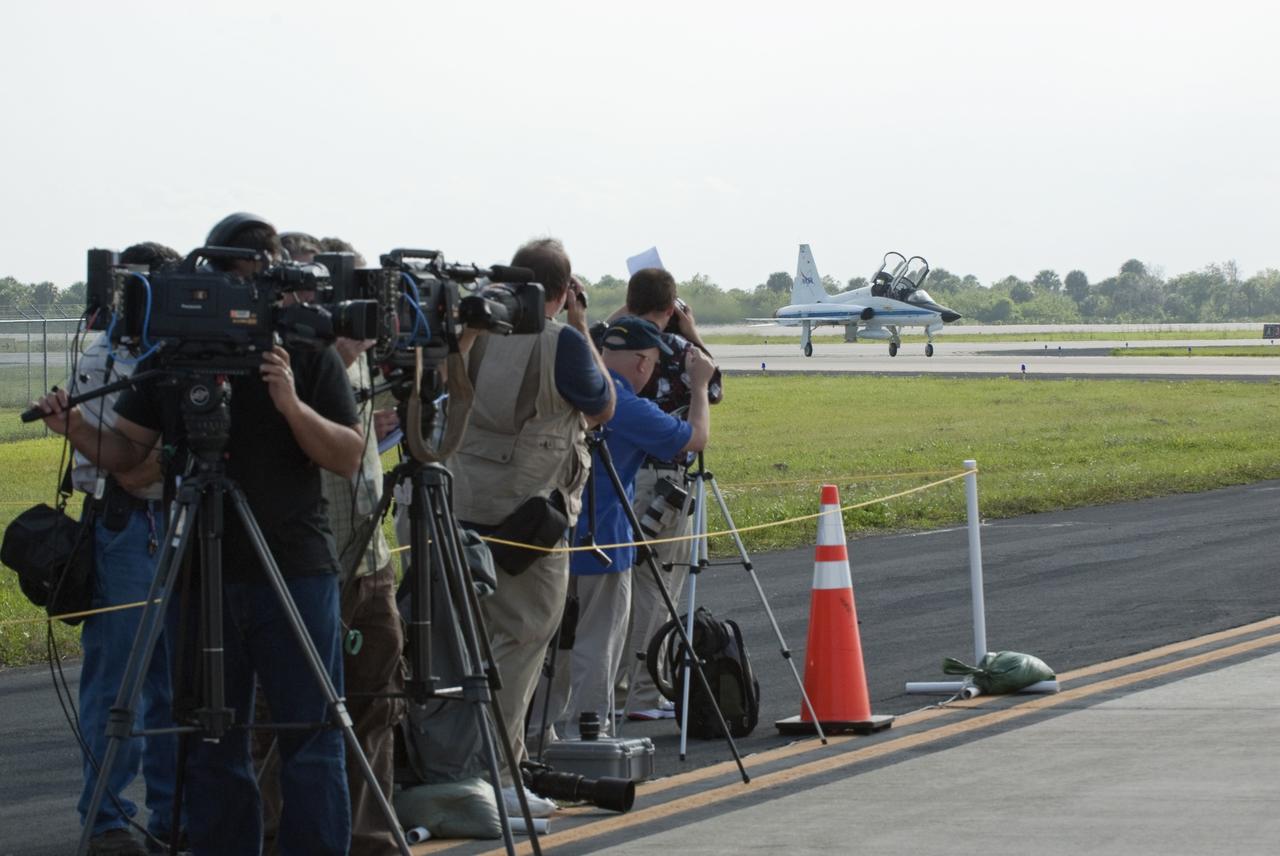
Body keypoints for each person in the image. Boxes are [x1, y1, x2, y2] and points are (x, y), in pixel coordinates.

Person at [35, 213, 364, 856]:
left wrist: (290, 403)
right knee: (208, 738)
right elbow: (129, 456)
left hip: (291, 569)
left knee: (311, 733)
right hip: (199, 571)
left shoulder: (303, 352)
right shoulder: (174, 356)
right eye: (225, 280)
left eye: (248, 280)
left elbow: (347, 456)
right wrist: (72, 429)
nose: (236, 295)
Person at [446, 237, 614, 818]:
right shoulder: (563, 341)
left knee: (451, 647)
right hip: (527, 522)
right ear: (562, 291)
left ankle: (449, 769)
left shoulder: (472, 331)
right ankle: (500, 776)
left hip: (455, 507)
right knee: (519, 645)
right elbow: (601, 404)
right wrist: (581, 324)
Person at [281, 229, 404, 856]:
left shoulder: (356, 351)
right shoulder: (285, 351)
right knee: (296, 716)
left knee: (376, 704)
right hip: (312, 558)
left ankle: (370, 839)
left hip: (371, 557)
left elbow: (381, 440)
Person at [61, 242, 183, 856]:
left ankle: (168, 812)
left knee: (174, 684)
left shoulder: (179, 353)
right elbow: (130, 468)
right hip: (128, 524)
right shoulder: (106, 354)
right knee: (118, 685)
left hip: (177, 519)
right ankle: (107, 819)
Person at [548, 316, 715, 740]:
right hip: (604, 536)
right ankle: (589, 731)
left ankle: (539, 732)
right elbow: (694, 438)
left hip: (549, 533)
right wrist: (698, 385)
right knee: (597, 642)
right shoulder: (627, 405)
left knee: (553, 645)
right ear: (643, 363)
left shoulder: (569, 387)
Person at [606, 268, 720, 721]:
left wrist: (624, 311)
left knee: (613, 590)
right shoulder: (680, 352)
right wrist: (691, 332)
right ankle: (643, 694)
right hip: (666, 480)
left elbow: (600, 328)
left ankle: (611, 690)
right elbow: (712, 389)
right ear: (672, 309)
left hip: (619, 478)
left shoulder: (606, 345)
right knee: (658, 585)